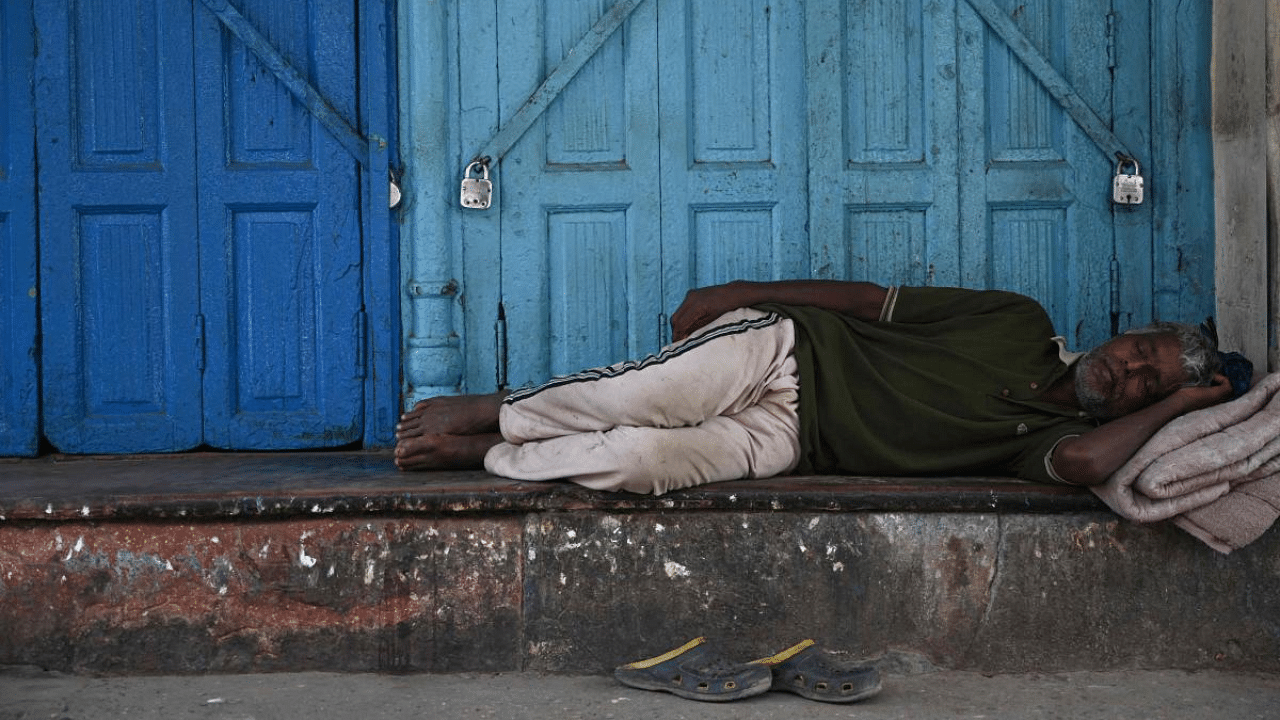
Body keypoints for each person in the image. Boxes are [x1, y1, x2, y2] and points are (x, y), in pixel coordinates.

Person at [395, 280, 1233, 494]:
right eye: (1139, 350)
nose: (1126, 368)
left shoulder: (1048, 445)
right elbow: (870, 302)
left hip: (795, 441)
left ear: (1144, 406)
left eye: (1145, 384)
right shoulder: (1017, 321)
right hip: (793, 353)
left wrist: (1182, 406)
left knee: (638, 464)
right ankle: (496, 409)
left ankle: (495, 456)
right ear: (1127, 331)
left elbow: (1089, 468)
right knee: (633, 399)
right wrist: (735, 298)